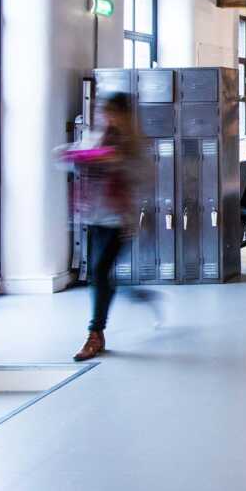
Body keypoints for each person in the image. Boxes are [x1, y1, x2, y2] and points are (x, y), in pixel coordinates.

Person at [59, 93, 148, 362]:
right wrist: (74, 156)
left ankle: (95, 333)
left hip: (118, 220)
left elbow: (143, 175)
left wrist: (117, 163)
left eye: (112, 113)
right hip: (93, 217)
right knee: (101, 274)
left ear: (124, 116)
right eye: (104, 112)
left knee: (99, 272)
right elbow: (67, 159)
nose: (107, 118)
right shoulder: (96, 137)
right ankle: (132, 296)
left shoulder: (132, 145)